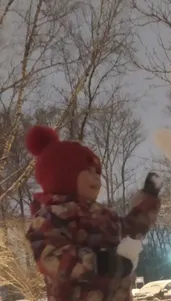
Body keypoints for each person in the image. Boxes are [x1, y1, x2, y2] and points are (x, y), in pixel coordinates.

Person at [25, 125, 162, 301]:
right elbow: (50, 255)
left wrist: (148, 200)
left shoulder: (106, 216)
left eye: (98, 172)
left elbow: (130, 231)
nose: (97, 177)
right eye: (88, 171)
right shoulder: (51, 216)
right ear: (63, 175)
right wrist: (98, 262)